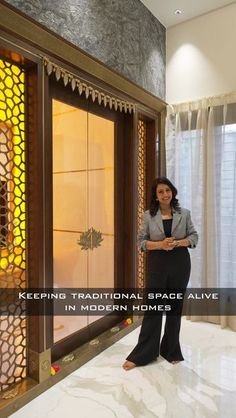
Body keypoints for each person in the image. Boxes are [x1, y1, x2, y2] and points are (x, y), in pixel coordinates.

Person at [122, 177, 198, 371]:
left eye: (168, 190)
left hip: (180, 263)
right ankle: (143, 354)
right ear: (155, 197)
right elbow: (141, 242)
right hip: (157, 264)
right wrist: (160, 245)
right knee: (153, 308)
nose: (165, 194)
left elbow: (194, 237)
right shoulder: (148, 216)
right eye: (160, 192)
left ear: (173, 192)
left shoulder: (184, 213)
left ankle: (170, 350)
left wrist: (179, 242)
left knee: (174, 308)